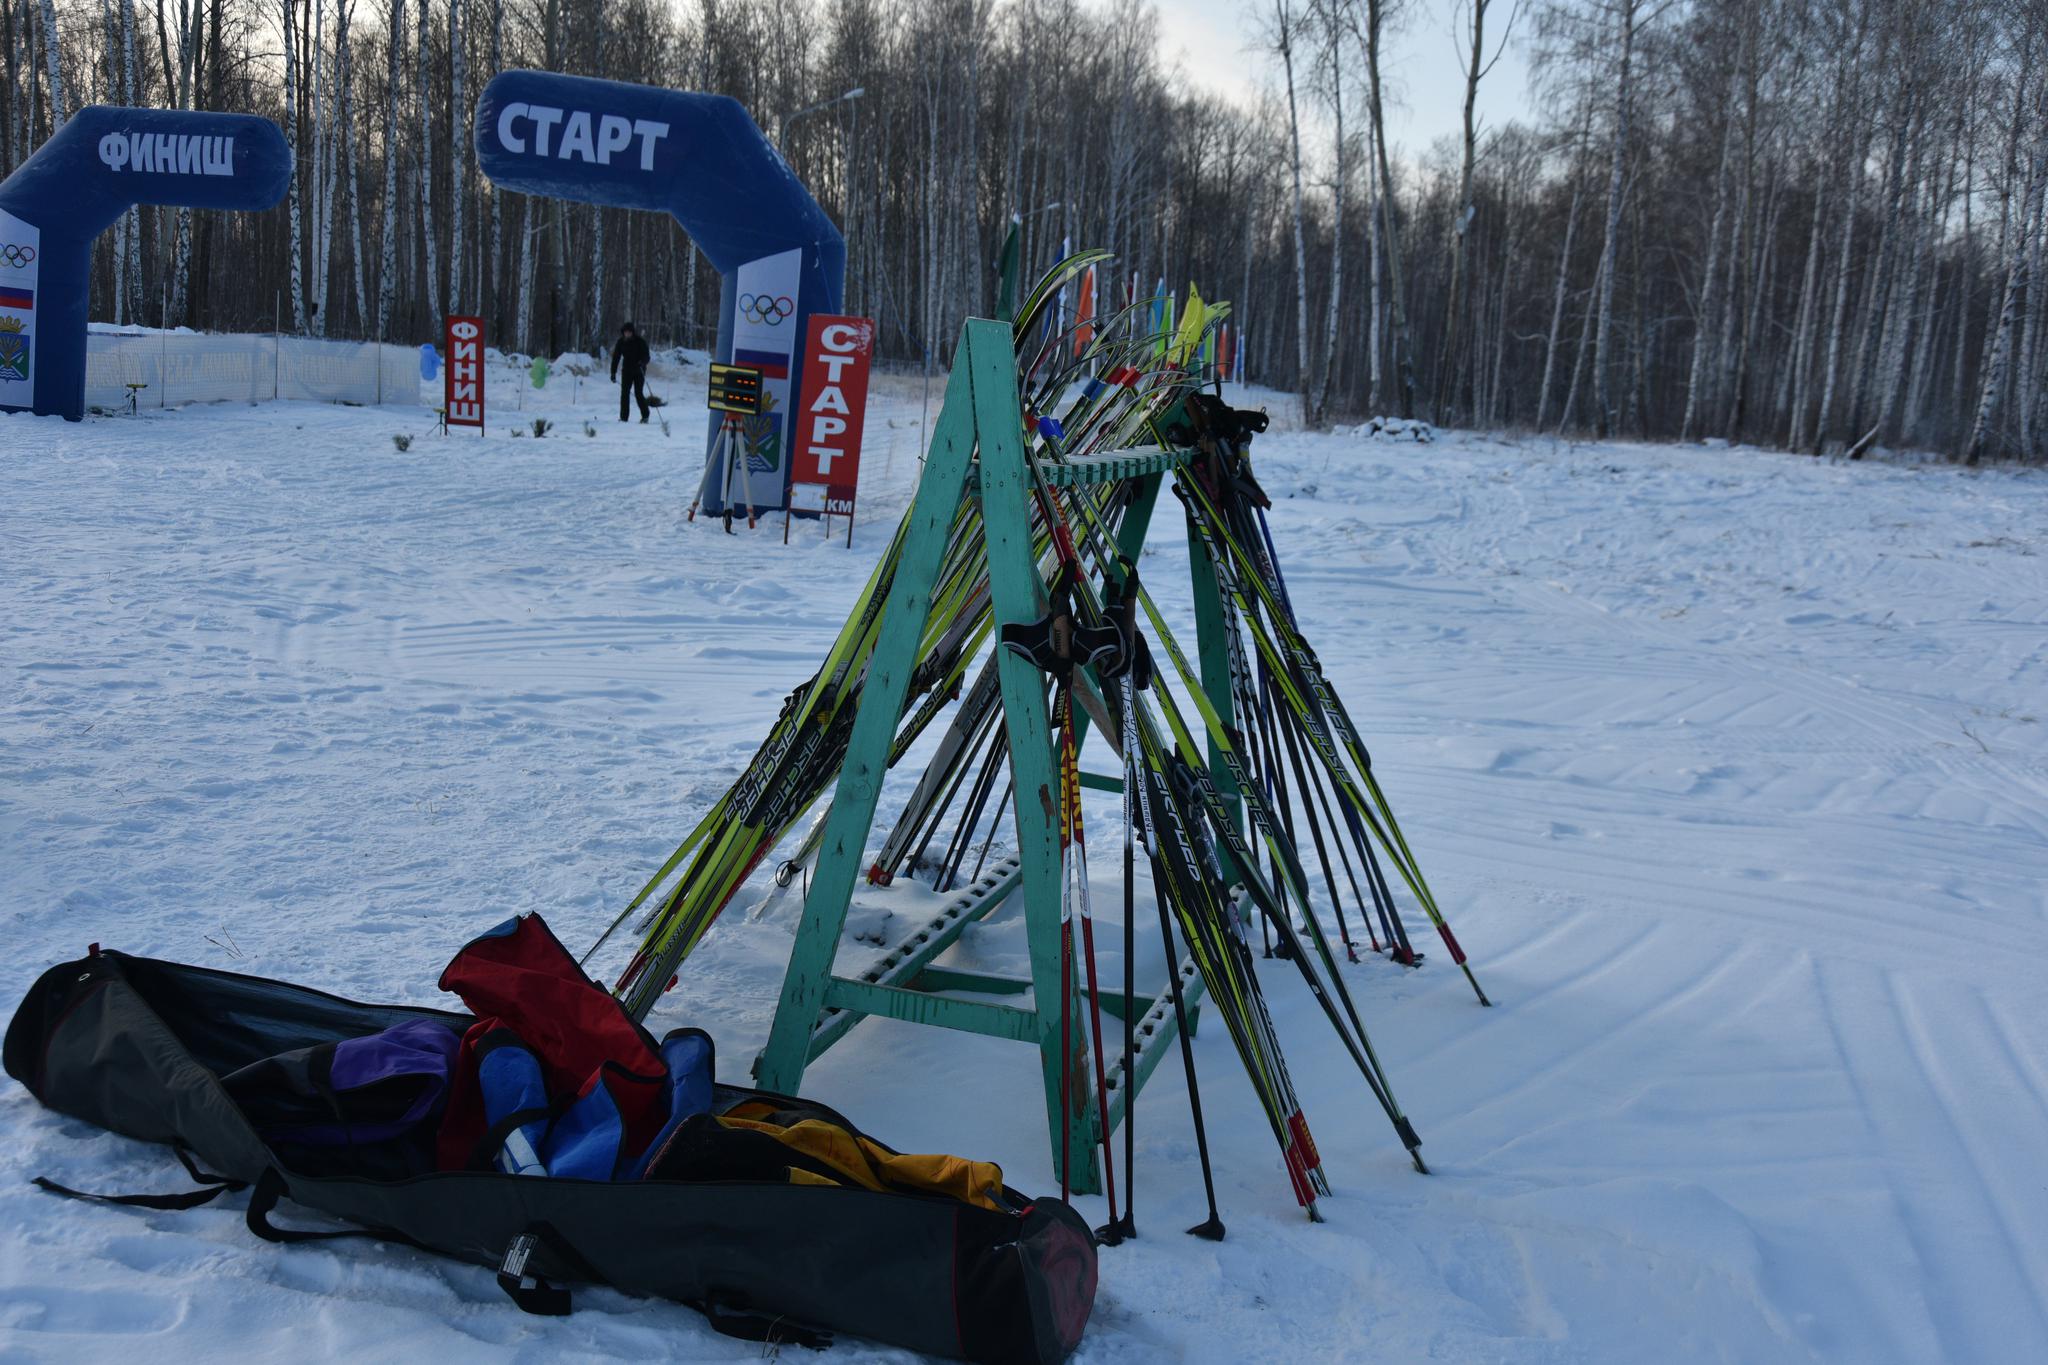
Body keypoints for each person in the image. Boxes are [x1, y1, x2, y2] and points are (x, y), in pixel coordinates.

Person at [611, 321, 652, 422]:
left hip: (639, 371)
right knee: (624, 393)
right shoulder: (621, 342)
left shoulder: (640, 341)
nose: (627, 334)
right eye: (625, 332)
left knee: (638, 393)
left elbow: (647, 356)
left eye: (629, 332)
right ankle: (624, 417)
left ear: (632, 332)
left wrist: (642, 363)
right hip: (627, 371)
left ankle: (645, 415)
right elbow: (616, 357)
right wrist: (613, 372)